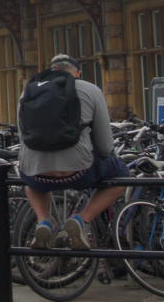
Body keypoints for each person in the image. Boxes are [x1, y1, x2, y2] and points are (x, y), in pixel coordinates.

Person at [19, 54, 127, 250]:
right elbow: (105, 146)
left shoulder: (28, 92)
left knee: (29, 180)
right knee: (121, 178)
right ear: (77, 73)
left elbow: (23, 139)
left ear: (51, 71)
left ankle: (43, 221)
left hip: (37, 175)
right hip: (78, 172)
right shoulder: (90, 89)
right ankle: (80, 219)